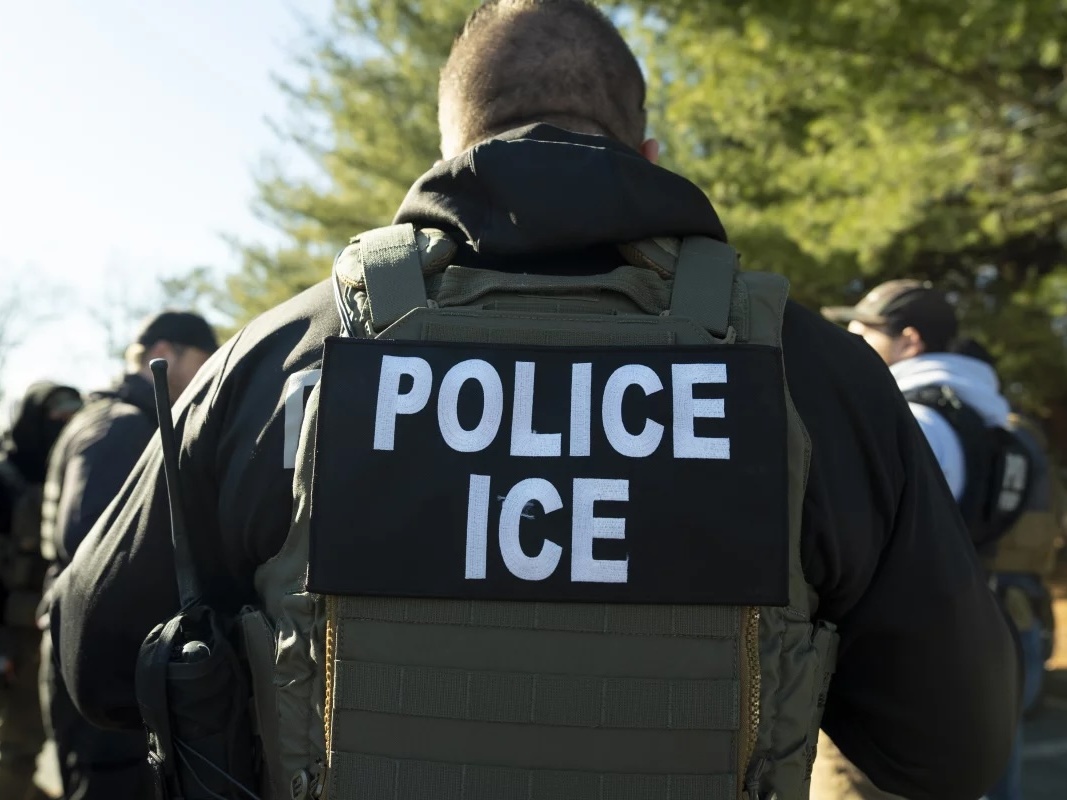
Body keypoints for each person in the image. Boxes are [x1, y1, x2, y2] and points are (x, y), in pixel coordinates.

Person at [53, 2, 1019, 799]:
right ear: (644, 151)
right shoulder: (815, 375)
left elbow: (97, 663)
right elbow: (950, 752)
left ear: (449, 152)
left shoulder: (282, 355)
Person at [821, 286, 1030, 800]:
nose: (850, 338)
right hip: (975, 640)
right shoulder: (984, 416)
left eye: (864, 330)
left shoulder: (914, 421)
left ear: (909, 341)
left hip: (892, 669)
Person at [39, 311, 217, 800]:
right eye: (201, 361)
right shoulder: (121, 427)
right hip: (99, 654)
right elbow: (95, 556)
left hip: (88, 646)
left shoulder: (109, 418)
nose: (206, 376)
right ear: (163, 353)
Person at [0, 381, 82, 800]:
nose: (64, 426)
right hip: (13, 636)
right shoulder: (6, 482)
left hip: (50, 628)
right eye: (55, 418)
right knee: (17, 745)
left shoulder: (70, 474)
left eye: (71, 418)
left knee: (34, 740)